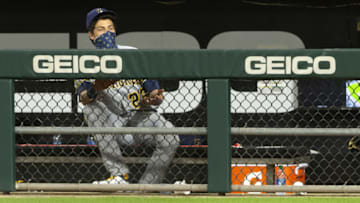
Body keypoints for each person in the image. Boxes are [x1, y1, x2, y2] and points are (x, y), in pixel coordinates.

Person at [75, 8, 180, 185]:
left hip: (140, 117)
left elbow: (154, 93)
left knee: (171, 138)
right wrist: (95, 88)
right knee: (91, 109)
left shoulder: (132, 53)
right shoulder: (85, 61)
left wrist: (153, 98)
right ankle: (119, 175)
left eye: (110, 28)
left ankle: (147, 187)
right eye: (101, 29)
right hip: (111, 124)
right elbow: (84, 99)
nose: (107, 33)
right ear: (92, 36)